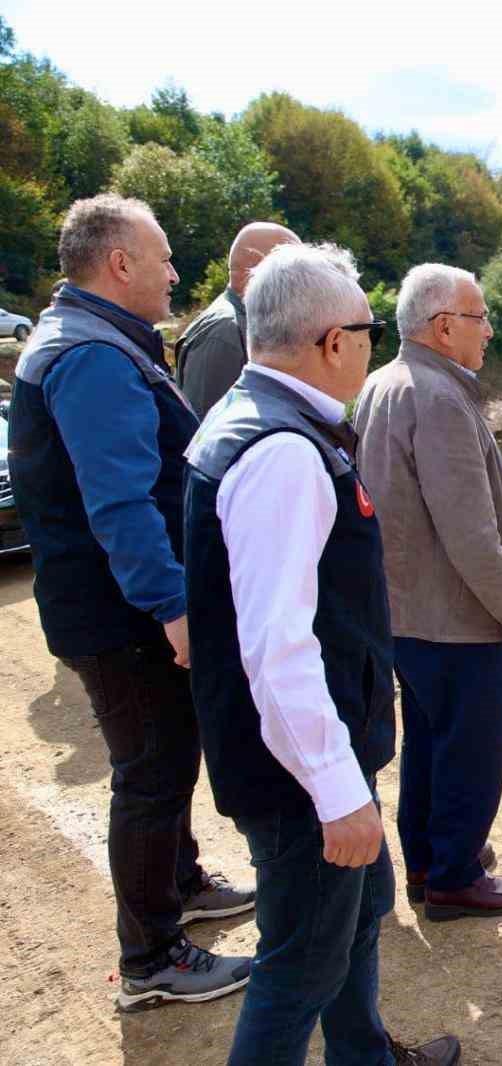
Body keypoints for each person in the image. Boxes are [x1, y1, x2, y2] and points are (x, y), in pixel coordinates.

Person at [183, 242, 458, 1065]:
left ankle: (364, 1056)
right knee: (299, 963)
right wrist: (338, 793)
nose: (375, 342)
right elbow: (280, 649)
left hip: (317, 750)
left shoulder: (257, 419)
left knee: (357, 917)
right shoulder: (284, 453)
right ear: (333, 342)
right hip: (301, 773)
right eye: (370, 327)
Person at [7, 193, 254, 1010]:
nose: (175, 271)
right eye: (163, 256)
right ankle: (152, 959)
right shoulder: (93, 356)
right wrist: (172, 607)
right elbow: (118, 502)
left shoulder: (96, 341)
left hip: (122, 609)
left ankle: (179, 883)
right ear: (119, 264)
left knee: (168, 755)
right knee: (150, 772)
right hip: (122, 617)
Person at [352, 263, 502, 922]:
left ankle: (430, 862)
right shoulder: (436, 398)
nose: (488, 330)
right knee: (469, 749)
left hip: (405, 613)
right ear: (443, 326)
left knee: (431, 744)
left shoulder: (381, 383)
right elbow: (469, 531)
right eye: (479, 316)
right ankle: (456, 876)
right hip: (456, 617)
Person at [175, 222, 300, 417]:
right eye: (295, 269)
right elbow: (204, 431)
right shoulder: (225, 331)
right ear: (257, 268)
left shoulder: (248, 322)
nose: (302, 281)